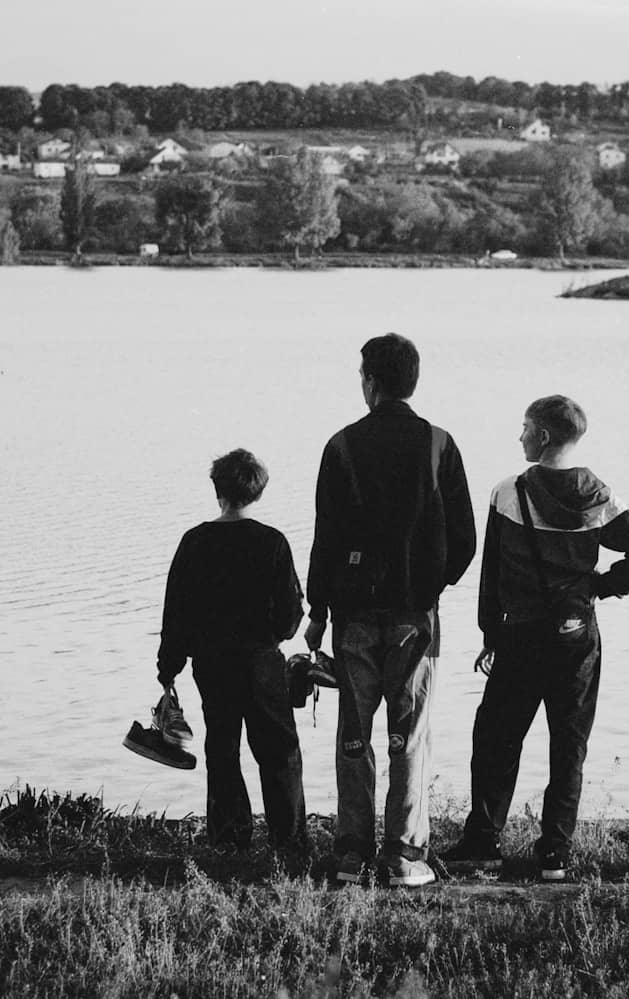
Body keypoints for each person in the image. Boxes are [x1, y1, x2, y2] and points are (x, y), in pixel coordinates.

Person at [443, 395, 629, 881]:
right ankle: (555, 854)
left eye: (524, 428)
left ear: (542, 436)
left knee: (496, 738)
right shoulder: (599, 495)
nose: (519, 435)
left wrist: (489, 635)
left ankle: (483, 840)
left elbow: (492, 573)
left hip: (520, 637)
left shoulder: (507, 492)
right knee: (569, 744)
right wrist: (597, 588)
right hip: (575, 637)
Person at [305, 333, 476, 887]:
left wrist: (317, 609)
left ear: (372, 382)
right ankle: (404, 858)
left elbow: (325, 538)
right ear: (413, 381)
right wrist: (430, 583)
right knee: (409, 734)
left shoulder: (340, 446)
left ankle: (351, 855)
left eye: (361, 376)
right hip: (414, 616)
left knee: (354, 736)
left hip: (353, 616)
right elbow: (466, 539)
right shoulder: (440, 444)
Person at [156, 448, 306, 852]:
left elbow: (177, 612)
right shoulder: (272, 542)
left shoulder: (194, 542)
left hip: (212, 663)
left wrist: (168, 666)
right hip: (260, 662)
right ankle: (288, 841)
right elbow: (291, 615)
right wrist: (276, 634)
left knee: (222, 748)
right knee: (277, 751)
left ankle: (229, 839)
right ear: (257, 491)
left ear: (216, 489)